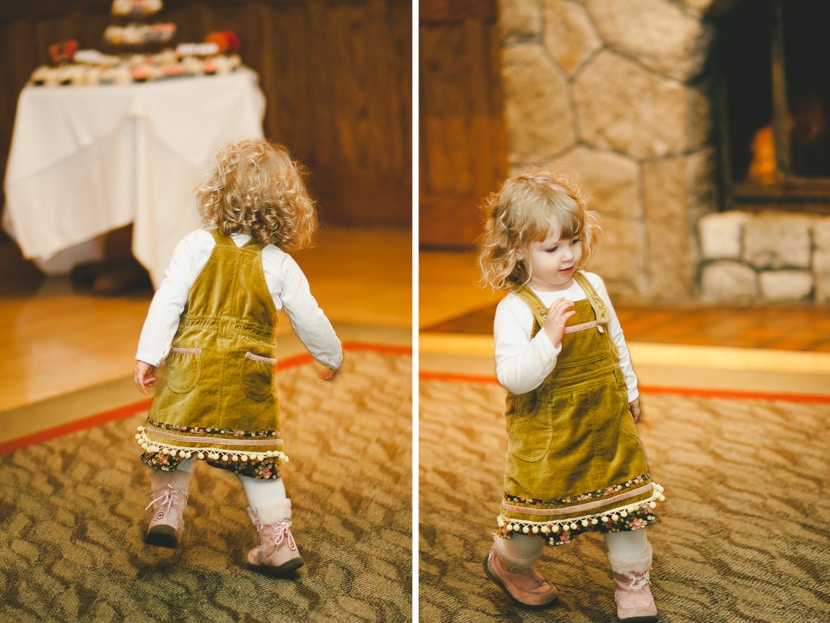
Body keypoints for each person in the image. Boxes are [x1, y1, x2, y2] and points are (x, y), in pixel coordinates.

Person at [133, 138, 343, 576]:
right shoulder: (279, 263)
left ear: (219, 193)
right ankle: (277, 543)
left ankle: (167, 513)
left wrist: (149, 355)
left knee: (175, 444)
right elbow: (310, 316)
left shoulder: (195, 245)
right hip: (248, 377)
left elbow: (167, 301)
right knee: (257, 462)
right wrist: (331, 356)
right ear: (287, 207)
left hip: (191, 369)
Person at [477, 170, 665, 622]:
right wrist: (549, 340)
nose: (568, 256)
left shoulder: (592, 286)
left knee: (626, 508)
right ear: (518, 250)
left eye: (574, 242)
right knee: (533, 524)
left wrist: (630, 389)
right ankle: (508, 563)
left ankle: (633, 584)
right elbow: (514, 377)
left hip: (606, 421)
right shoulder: (515, 308)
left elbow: (615, 341)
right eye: (551, 247)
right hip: (548, 435)